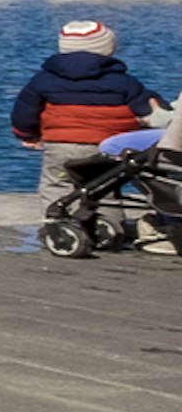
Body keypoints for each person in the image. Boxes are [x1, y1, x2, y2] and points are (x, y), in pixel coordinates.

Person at [13, 17, 175, 249]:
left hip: (62, 145)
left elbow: (25, 111)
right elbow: (150, 111)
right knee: (106, 185)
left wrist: (27, 135)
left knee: (57, 183)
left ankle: (57, 223)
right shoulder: (125, 83)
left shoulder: (42, 81)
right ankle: (110, 225)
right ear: (107, 49)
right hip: (110, 146)